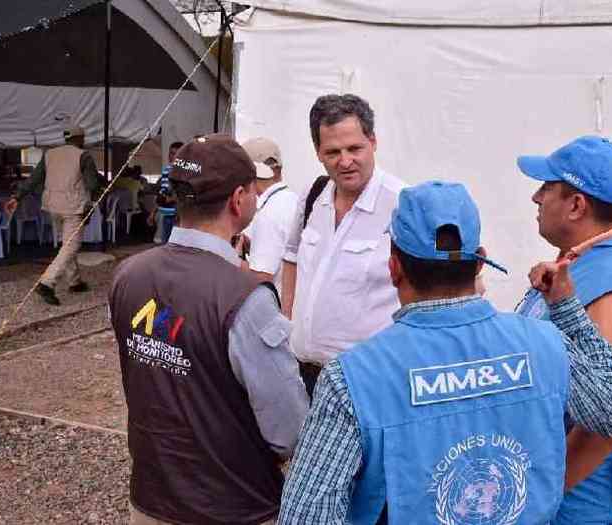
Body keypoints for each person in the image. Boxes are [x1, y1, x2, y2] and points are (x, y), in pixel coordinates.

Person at [279, 181, 612, 524]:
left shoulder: (353, 377)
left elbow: (306, 514)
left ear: (394, 267)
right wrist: (567, 308)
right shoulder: (548, 343)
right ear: (480, 261)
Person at [108, 135, 309, 525]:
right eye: (253, 190)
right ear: (239, 199)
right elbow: (290, 430)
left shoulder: (128, 275)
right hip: (233, 505)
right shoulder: (246, 298)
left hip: (150, 499)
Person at [515, 136, 612, 525]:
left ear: (577, 205)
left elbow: (607, 423)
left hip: (573, 500)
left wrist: (538, 494)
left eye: (547, 188)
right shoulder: (589, 258)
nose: (536, 197)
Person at [281, 93, 406, 395]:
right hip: (303, 376)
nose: (346, 161)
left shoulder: (403, 203)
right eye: (333, 152)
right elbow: (292, 257)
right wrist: (285, 324)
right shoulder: (313, 195)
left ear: (373, 142)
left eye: (355, 148)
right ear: (318, 152)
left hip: (368, 383)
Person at [6, 125, 99, 306]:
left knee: (66, 245)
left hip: (52, 206)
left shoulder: (49, 154)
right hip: (73, 207)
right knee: (71, 246)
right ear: (80, 138)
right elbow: (92, 184)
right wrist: (97, 190)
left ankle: (75, 281)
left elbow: (34, 179)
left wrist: (17, 197)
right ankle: (47, 283)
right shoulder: (83, 155)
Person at [239, 137, 299, 295]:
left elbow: (261, 279)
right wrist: (252, 245)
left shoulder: (268, 214)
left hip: (274, 307)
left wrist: (233, 259)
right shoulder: (292, 200)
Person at [148, 141, 182, 243]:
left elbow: (185, 194)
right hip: (165, 215)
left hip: (178, 216)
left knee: (175, 249)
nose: (172, 156)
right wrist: (152, 213)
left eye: (176, 153)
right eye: (171, 153)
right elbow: (162, 192)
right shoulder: (166, 170)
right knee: (165, 246)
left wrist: (172, 198)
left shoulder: (183, 171)